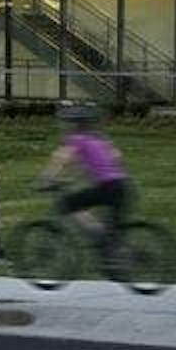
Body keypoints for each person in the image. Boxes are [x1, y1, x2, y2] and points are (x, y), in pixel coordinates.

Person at [42, 103, 133, 266]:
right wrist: (72, 179)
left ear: (75, 124)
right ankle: (114, 255)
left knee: (67, 203)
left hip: (108, 187)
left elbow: (62, 159)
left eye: (68, 123)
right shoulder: (100, 139)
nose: (66, 127)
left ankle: (100, 238)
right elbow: (114, 159)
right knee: (113, 231)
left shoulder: (77, 139)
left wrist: (48, 178)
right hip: (122, 185)